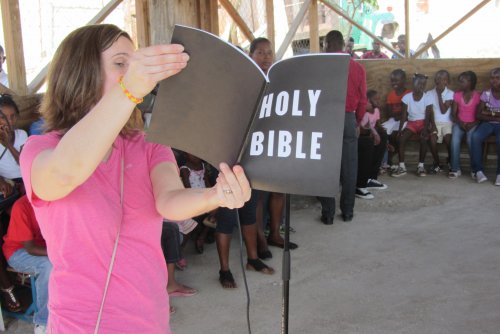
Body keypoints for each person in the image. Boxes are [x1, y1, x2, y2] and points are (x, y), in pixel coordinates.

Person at [19, 24, 251, 333]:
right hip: (82, 323)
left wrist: (216, 195)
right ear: (80, 73)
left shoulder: (146, 143)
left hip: (148, 319)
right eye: (120, 63)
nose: (133, 72)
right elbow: (64, 173)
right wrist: (129, 88)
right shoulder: (41, 149)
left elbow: (168, 201)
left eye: (135, 62)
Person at [248, 37, 297, 254]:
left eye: (269, 52)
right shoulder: (247, 78)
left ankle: (275, 233)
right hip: (255, 143)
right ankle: (260, 237)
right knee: (257, 194)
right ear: (251, 55)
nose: (266, 56)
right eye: (260, 52)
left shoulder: (281, 78)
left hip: (278, 141)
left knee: (279, 190)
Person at [318, 30, 367, 223]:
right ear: (342, 44)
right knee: (349, 166)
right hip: (348, 118)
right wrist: (357, 121)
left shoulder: (321, 66)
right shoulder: (357, 68)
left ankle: (328, 214)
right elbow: (363, 100)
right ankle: (347, 211)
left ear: (327, 44)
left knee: (327, 167)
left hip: (326, 119)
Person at [2, 195, 51, 333]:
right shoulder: (22, 206)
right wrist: (57, 252)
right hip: (17, 253)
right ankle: (42, 321)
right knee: (48, 266)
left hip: (43, 248)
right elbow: (30, 248)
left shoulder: (55, 203)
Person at [215, 191, 275, 289]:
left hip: (251, 176)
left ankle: (253, 260)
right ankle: (224, 271)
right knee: (226, 218)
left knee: (249, 213)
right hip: (225, 179)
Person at [392, 74, 434, 177]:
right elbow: (403, 116)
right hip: (411, 123)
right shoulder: (407, 97)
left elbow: (428, 115)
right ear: (413, 84)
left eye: (423, 84)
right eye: (419, 83)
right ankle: (401, 166)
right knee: (401, 139)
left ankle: (421, 166)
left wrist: (425, 129)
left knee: (424, 139)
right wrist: (400, 129)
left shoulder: (427, 98)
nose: (421, 86)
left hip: (423, 123)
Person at [179, 152, 217, 254]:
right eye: (192, 154)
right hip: (192, 198)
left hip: (203, 197)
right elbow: (187, 189)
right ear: (186, 156)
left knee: (216, 209)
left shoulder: (203, 166)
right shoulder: (185, 169)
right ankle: (180, 248)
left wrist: (211, 194)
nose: (196, 156)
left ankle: (202, 236)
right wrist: (198, 200)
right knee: (194, 219)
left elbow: (206, 182)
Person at [356, 89, 388, 200]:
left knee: (383, 135)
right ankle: (360, 184)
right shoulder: (360, 108)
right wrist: (373, 133)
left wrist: (376, 132)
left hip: (361, 132)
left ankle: (370, 178)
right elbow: (360, 128)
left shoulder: (374, 110)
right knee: (368, 141)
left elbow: (373, 124)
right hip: (354, 135)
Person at [470, 67, 500, 185]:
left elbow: (484, 113)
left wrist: (488, 112)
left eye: (498, 78)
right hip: (488, 123)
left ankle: (499, 174)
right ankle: (478, 171)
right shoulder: (486, 94)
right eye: (492, 78)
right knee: (475, 136)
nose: (494, 81)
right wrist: (495, 116)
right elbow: (478, 114)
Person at [449, 71, 480, 179]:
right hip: (460, 123)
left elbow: (480, 115)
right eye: (460, 81)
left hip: (473, 124)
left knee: (471, 140)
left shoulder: (478, 96)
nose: (460, 83)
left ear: (470, 82)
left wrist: (473, 124)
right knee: (454, 140)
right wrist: (460, 123)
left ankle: (474, 169)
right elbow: (453, 114)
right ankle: (455, 168)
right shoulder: (457, 95)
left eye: (463, 81)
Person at [382, 69, 411, 171]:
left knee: (397, 133)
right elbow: (389, 113)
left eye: (396, 80)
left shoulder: (409, 93)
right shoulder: (391, 95)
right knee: (382, 130)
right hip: (393, 119)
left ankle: (391, 158)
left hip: (405, 120)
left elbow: (409, 112)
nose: (394, 83)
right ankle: (385, 160)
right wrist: (398, 115)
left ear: (403, 80)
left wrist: (400, 115)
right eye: (392, 80)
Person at [426, 70, 454, 174]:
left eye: (441, 79)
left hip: (447, 123)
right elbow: (428, 111)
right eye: (436, 78)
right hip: (434, 123)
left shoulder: (450, 93)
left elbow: (443, 111)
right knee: (432, 140)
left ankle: (451, 161)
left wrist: (439, 95)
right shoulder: (429, 93)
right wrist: (431, 125)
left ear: (446, 81)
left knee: (449, 140)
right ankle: (437, 163)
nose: (438, 81)